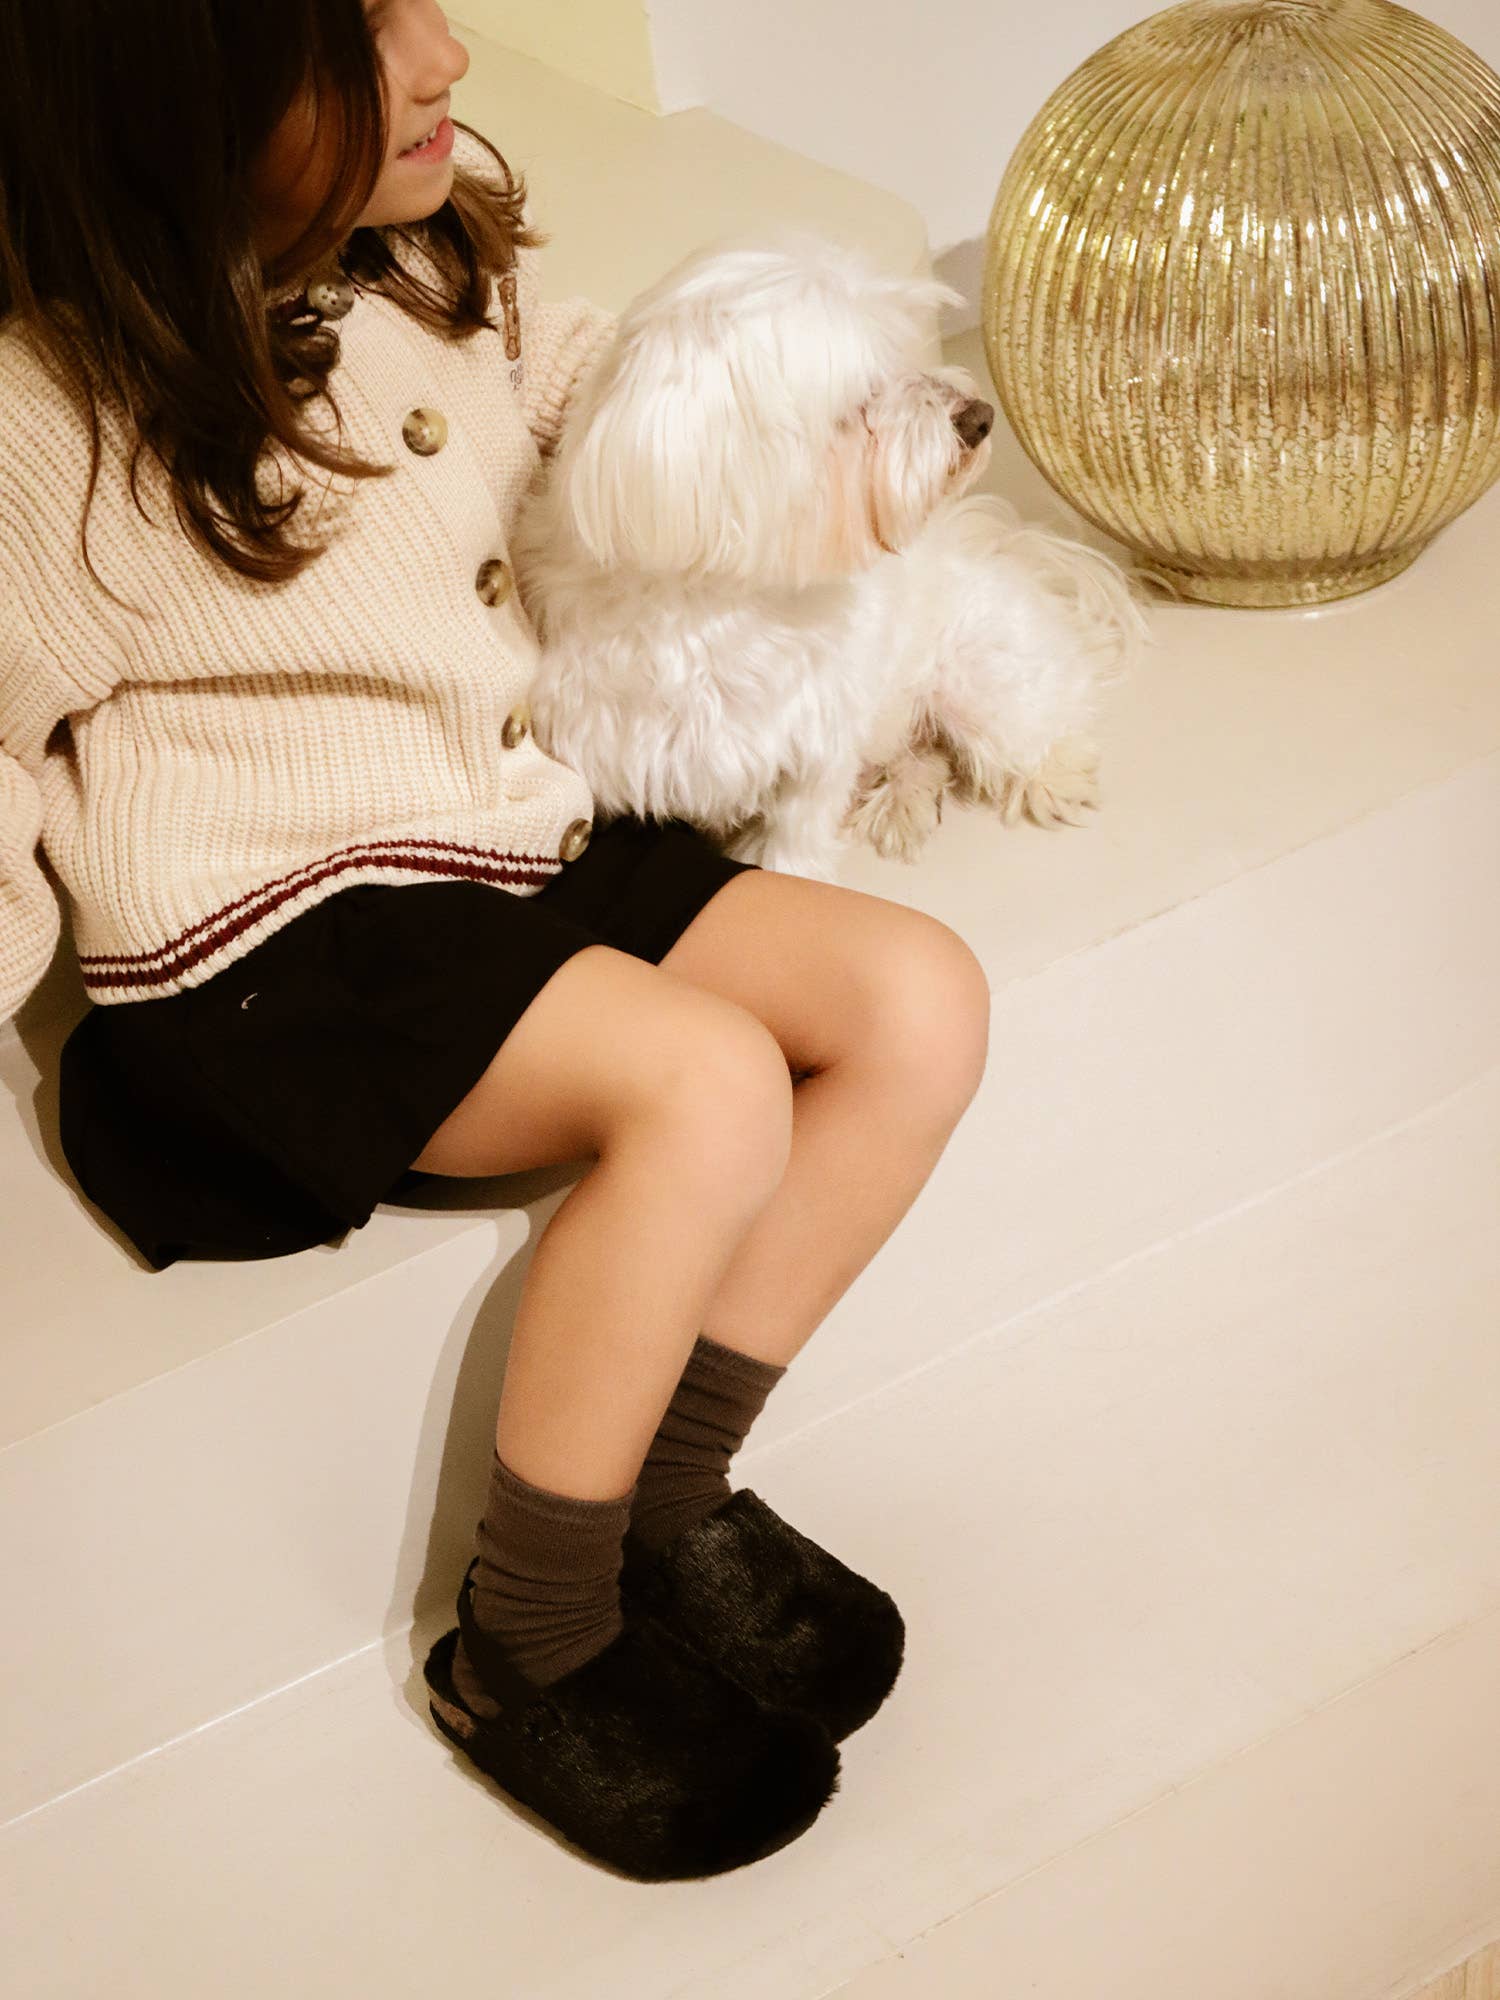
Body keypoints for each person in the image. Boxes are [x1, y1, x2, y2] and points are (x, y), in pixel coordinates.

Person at [0, 0, 991, 1881]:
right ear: (187, 93)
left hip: (511, 843)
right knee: (706, 1084)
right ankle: (526, 1634)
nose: (448, 50)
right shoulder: (51, 423)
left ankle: (666, 1496)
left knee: (916, 997)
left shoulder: (431, 267)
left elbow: (581, 389)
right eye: (369, 31)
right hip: (277, 942)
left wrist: (775, 385)